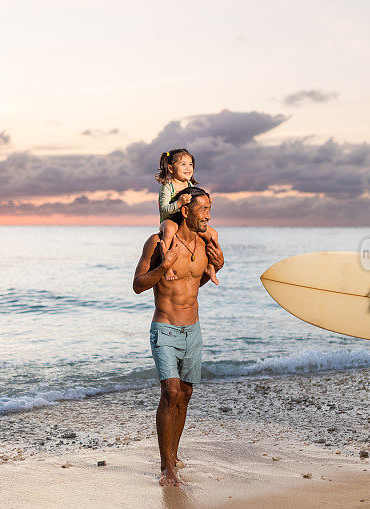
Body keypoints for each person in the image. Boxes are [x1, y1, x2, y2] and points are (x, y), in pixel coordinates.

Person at [132, 186, 224, 486]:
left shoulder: (204, 243)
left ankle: (173, 454)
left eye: (210, 208)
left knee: (185, 395)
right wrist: (164, 266)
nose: (208, 214)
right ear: (185, 211)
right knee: (169, 393)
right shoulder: (158, 242)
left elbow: (194, 284)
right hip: (165, 327)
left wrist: (217, 266)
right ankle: (166, 466)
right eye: (203, 209)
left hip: (193, 329)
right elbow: (138, 284)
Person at [156, 149, 220, 285]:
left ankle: (210, 265)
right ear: (171, 168)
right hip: (170, 220)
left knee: (213, 233)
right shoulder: (168, 186)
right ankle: (167, 265)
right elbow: (165, 209)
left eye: (191, 164)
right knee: (169, 231)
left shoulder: (190, 185)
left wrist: (206, 201)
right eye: (183, 164)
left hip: (187, 222)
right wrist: (179, 203)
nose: (188, 168)